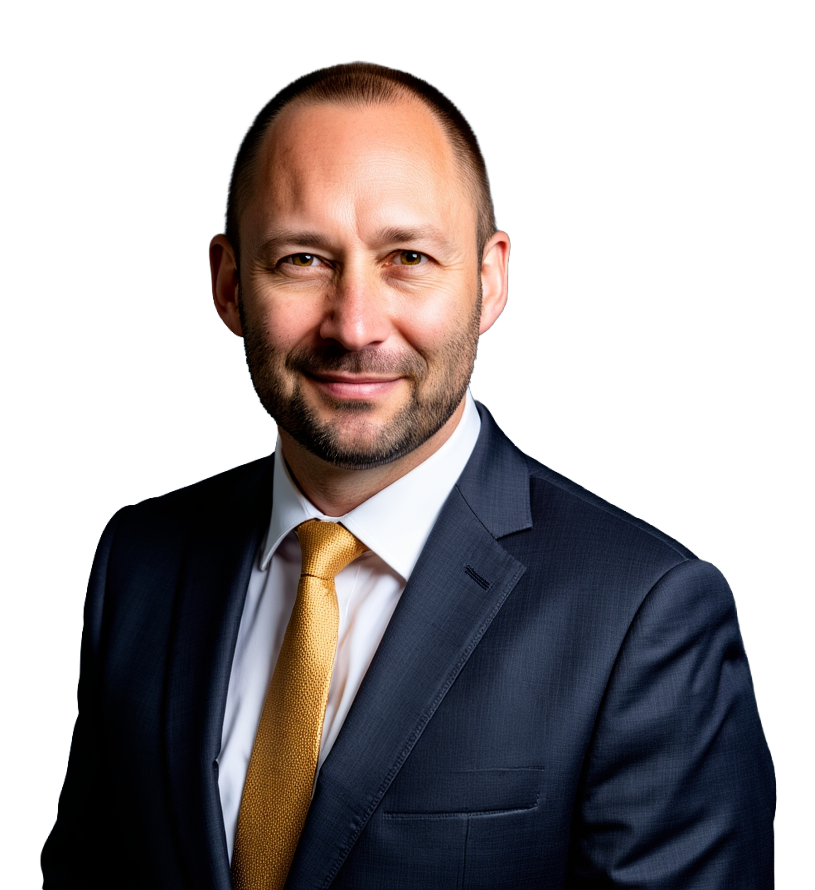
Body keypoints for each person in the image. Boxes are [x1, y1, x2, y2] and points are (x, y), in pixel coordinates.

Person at [41, 62, 775, 889]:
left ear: (488, 282)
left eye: (408, 257)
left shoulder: (641, 616)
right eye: (302, 259)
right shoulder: (140, 562)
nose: (355, 326)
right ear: (229, 284)